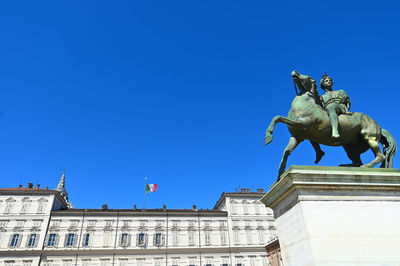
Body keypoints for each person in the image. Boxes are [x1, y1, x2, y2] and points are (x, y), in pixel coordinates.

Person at [319, 73, 351, 140]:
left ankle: (335, 131)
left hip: (340, 107)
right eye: (326, 81)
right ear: (323, 84)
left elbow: (348, 102)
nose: (329, 81)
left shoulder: (340, 91)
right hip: (328, 111)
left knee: (331, 106)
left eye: (330, 80)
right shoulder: (321, 97)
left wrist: (346, 103)